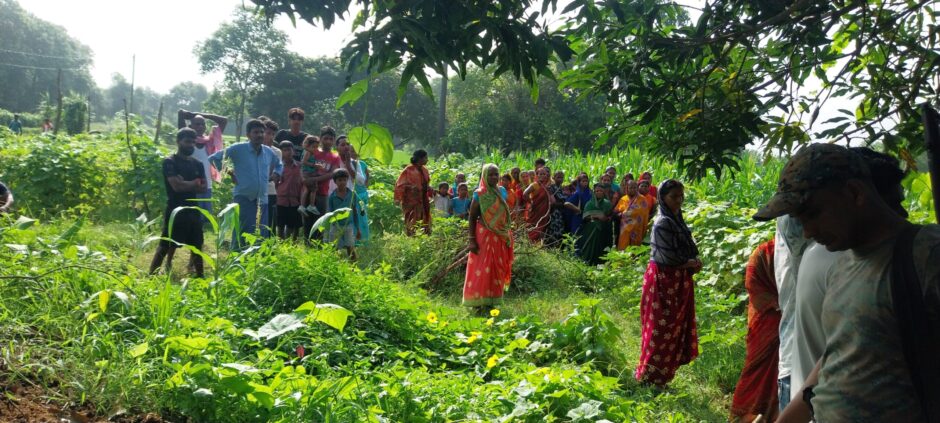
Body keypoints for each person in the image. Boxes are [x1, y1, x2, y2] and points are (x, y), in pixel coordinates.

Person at [755, 144, 940, 423]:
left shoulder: (927, 255)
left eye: (813, 213)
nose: (808, 232)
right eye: (800, 220)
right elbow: (838, 356)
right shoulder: (843, 264)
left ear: (855, 193)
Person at [789, 147, 913, 402]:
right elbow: (838, 353)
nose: (903, 215)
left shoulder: (920, 256)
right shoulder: (842, 259)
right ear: (858, 195)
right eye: (895, 203)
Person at [635, 179, 701, 386]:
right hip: (664, 281)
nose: (679, 201)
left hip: (677, 282)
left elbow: (687, 248)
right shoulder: (663, 222)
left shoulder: (676, 220)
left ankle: (661, 377)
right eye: (674, 197)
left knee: (673, 330)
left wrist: (692, 261)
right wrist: (690, 263)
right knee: (660, 329)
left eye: (681, 196)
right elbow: (668, 258)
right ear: (663, 198)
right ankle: (649, 377)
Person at [208, 119, 283, 249]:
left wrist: (277, 174)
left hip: (262, 199)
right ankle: (237, 255)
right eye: (256, 132)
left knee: (261, 232)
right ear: (248, 135)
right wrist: (229, 172)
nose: (260, 135)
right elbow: (214, 158)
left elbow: (279, 164)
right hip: (244, 197)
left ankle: (257, 257)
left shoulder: (268, 152)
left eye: (262, 132)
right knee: (242, 230)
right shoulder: (238, 148)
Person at [730, 238, 779, 422]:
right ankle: (748, 415)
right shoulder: (765, 253)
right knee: (757, 371)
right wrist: (780, 304)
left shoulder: (805, 253)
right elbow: (753, 284)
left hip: (790, 320)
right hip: (767, 323)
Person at [149, 128, 208, 278]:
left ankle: (200, 277)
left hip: (193, 209)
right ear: (178, 142)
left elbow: (203, 188)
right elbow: (176, 186)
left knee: (197, 244)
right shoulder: (170, 162)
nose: (191, 145)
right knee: (165, 244)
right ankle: (151, 276)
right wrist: (194, 183)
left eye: (193, 142)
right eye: (187, 141)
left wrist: (185, 183)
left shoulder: (198, 164)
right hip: (175, 209)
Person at [463, 163, 514, 313]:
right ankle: (477, 303)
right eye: (490, 174)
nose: (493, 177)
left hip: (499, 236)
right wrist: (472, 240)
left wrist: (506, 234)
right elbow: (472, 217)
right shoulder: (479, 194)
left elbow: (503, 214)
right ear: (484, 176)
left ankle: (492, 301)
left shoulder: (502, 191)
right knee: (480, 267)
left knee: (497, 267)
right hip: (483, 235)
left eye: (496, 174)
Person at [177, 109, 227, 216]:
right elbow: (180, 113)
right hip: (191, 186)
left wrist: (198, 114)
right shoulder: (188, 142)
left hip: (206, 186)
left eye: (203, 124)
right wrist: (187, 115)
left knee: (206, 219)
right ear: (190, 126)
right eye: (197, 124)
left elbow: (223, 120)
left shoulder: (210, 141)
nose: (200, 126)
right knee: (193, 216)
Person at [302, 126, 343, 241]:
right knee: (307, 220)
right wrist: (306, 179)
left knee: (320, 221)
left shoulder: (335, 156)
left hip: (322, 193)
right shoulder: (314, 152)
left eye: (331, 139)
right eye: (326, 138)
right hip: (308, 191)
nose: (328, 141)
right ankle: (307, 244)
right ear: (320, 138)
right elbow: (304, 164)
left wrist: (314, 180)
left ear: (334, 140)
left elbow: (332, 174)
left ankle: (317, 246)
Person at [394, 150, 432, 236]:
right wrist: (398, 198)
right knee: (411, 218)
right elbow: (400, 185)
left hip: (423, 199)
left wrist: (429, 188)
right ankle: (411, 235)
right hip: (411, 200)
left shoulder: (425, 170)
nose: (427, 160)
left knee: (424, 216)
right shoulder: (408, 170)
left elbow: (426, 183)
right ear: (419, 158)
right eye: (425, 157)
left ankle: (425, 235)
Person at [326, 168, 361, 260]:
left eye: (344, 180)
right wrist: (328, 227)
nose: (342, 182)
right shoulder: (332, 197)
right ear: (335, 182)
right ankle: (334, 263)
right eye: (340, 180)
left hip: (348, 224)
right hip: (336, 224)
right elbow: (330, 213)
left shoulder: (352, 195)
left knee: (350, 246)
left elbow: (355, 212)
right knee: (333, 247)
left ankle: (353, 265)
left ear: (347, 180)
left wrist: (358, 228)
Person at [576, 183, 614, 265]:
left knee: (602, 246)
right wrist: (595, 216)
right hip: (591, 228)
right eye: (597, 191)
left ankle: (601, 263)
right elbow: (585, 217)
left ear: (604, 192)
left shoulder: (607, 203)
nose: (599, 192)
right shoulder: (589, 204)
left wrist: (606, 218)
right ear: (594, 192)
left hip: (604, 228)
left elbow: (610, 215)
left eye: (601, 191)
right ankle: (588, 261)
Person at [274, 141, 303, 240]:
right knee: (280, 225)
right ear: (281, 152)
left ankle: (290, 244)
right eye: (285, 150)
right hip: (281, 200)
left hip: (295, 200)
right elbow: (275, 182)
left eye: (290, 150)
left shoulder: (299, 166)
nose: (288, 152)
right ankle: (281, 243)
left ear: (293, 151)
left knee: (292, 225)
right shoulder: (278, 167)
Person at [614, 180, 650, 249]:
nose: (633, 189)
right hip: (625, 231)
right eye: (631, 188)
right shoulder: (623, 199)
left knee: (635, 250)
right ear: (627, 188)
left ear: (637, 188)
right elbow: (616, 212)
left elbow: (645, 215)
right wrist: (622, 214)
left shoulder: (642, 199)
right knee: (623, 249)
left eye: (634, 187)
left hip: (637, 230)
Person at [349, 143, 371, 245]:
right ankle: (353, 240)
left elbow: (367, 176)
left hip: (362, 196)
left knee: (362, 215)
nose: (354, 153)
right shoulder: (348, 164)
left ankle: (364, 239)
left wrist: (365, 188)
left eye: (356, 151)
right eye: (351, 151)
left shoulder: (362, 164)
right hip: (352, 195)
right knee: (353, 217)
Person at [523, 167, 553, 243]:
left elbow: (552, 200)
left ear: (547, 176)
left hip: (544, 212)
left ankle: (538, 244)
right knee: (532, 226)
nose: (542, 175)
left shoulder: (547, 186)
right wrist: (531, 203)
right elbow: (525, 194)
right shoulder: (534, 185)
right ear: (537, 175)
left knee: (541, 227)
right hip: (535, 210)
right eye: (540, 174)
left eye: (544, 174)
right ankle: (529, 242)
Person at [260, 118, 279, 230]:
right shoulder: (252, 149)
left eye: (273, 134)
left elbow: (274, 174)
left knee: (268, 223)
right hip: (254, 190)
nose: (270, 137)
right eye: (268, 133)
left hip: (270, 191)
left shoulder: (276, 152)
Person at [298, 135, 323, 216]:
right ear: (307, 145)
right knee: (314, 189)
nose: (315, 149)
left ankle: (302, 206)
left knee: (306, 189)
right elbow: (304, 162)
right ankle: (311, 205)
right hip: (308, 173)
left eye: (316, 147)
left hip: (305, 173)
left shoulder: (306, 151)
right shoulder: (308, 152)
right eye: (313, 147)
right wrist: (314, 165)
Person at [544, 170, 568, 246]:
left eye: (562, 177)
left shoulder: (562, 188)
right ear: (553, 178)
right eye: (558, 177)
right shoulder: (551, 188)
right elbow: (552, 203)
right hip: (554, 213)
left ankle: (558, 247)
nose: (560, 179)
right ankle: (552, 246)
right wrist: (562, 204)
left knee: (560, 230)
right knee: (553, 230)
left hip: (561, 213)